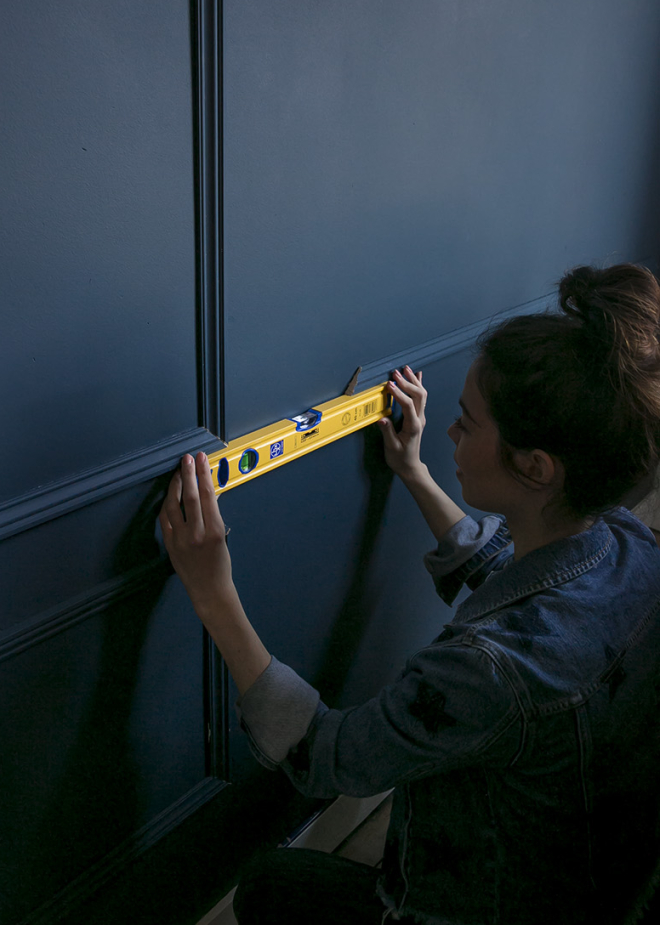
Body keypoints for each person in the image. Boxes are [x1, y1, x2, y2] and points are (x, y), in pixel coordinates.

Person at [159, 263, 660, 925]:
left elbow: (330, 757)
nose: (450, 430)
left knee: (267, 885)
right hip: (586, 884)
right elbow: (522, 582)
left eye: (468, 422)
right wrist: (416, 472)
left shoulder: (486, 670)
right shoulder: (628, 543)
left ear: (534, 466)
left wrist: (213, 593)